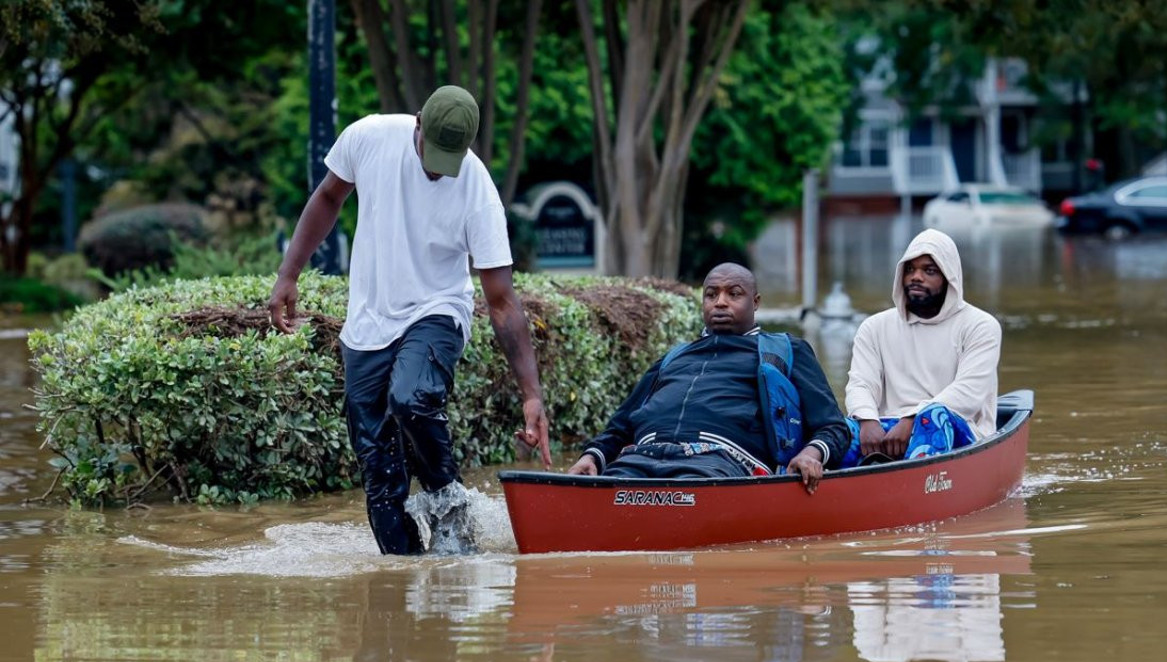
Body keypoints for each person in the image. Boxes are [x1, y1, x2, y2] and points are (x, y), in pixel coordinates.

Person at [268, 85, 551, 556]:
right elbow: (328, 197)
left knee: (410, 397)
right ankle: (404, 579)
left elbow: (501, 300)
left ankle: (451, 512)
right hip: (367, 324)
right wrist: (288, 273)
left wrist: (531, 395)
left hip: (437, 310)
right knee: (379, 477)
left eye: (449, 159)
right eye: (431, 153)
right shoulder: (369, 137)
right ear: (417, 123)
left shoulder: (478, 190)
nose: (437, 169)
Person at [565, 263, 850, 494]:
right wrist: (591, 457)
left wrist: (811, 455)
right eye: (711, 295)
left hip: (720, 466)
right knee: (605, 493)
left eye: (734, 294)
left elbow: (833, 427)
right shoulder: (673, 357)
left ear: (755, 302)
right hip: (639, 460)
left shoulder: (785, 350)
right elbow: (619, 428)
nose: (720, 303)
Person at [843, 228, 1001, 466]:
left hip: (959, 430)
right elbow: (860, 384)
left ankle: (913, 483)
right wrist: (867, 420)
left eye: (929, 270)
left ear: (949, 278)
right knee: (838, 429)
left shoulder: (980, 326)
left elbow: (968, 394)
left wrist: (912, 419)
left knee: (932, 416)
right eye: (910, 269)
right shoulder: (874, 327)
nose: (916, 277)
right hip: (888, 429)